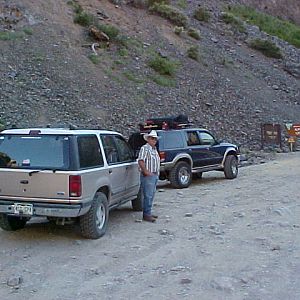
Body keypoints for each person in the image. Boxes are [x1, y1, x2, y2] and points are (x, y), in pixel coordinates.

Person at [138, 130, 160, 222]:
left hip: (154, 175)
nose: (154, 140)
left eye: (155, 139)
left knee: (151, 195)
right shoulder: (145, 148)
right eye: (152, 138)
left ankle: (148, 213)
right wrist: (145, 171)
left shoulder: (154, 149)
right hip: (148, 175)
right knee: (148, 195)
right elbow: (140, 160)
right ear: (148, 139)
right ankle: (146, 214)